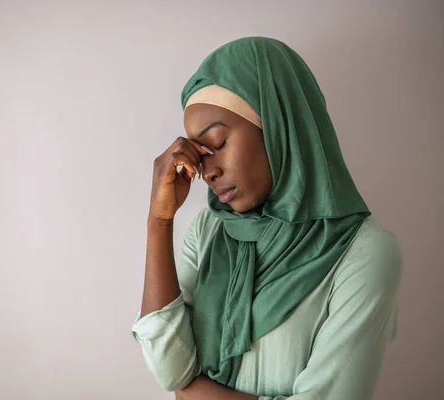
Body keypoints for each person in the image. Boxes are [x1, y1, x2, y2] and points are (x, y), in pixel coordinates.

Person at [132, 37, 402, 400]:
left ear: (278, 127)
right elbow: (170, 371)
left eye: (217, 142)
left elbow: (182, 386)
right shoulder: (209, 231)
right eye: (199, 153)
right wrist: (158, 222)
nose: (205, 171)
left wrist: (192, 392)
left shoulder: (364, 253)